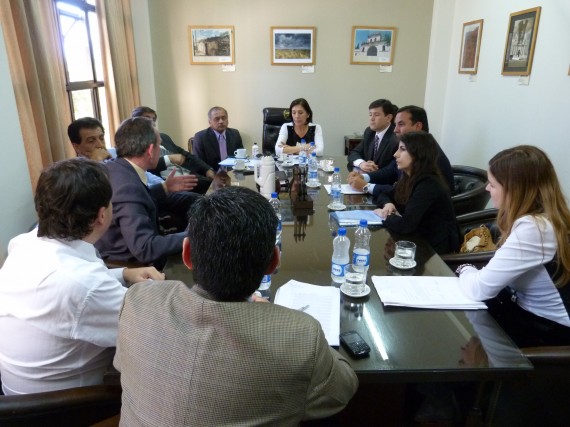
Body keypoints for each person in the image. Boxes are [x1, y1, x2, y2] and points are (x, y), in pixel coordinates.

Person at [114, 186, 358, 426]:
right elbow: (342, 390)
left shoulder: (138, 301)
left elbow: (121, 364)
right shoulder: (301, 336)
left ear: (187, 254)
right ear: (273, 262)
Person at [0, 158, 163, 395]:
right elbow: (154, 331)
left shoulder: (24, 243)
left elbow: (72, 286)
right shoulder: (86, 286)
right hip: (68, 408)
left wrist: (124, 274)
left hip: (16, 395)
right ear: (101, 215)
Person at [457, 145, 570, 348]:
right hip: (526, 315)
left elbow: (479, 289)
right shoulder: (546, 218)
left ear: (514, 190)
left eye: (492, 184)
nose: (486, 189)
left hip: (547, 333)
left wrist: (464, 269)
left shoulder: (534, 228)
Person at [95, 117, 200, 269]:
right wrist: (196, 236)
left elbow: (139, 199)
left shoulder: (116, 167)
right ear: (151, 150)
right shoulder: (128, 187)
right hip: (133, 265)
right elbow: (145, 248)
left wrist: (164, 187)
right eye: (159, 145)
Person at [374, 132, 459, 254]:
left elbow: (406, 225)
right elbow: (385, 194)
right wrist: (388, 205)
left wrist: (385, 215)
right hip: (415, 239)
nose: (395, 154)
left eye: (402, 149)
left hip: (434, 251)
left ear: (418, 154)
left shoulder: (428, 184)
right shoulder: (410, 176)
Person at [348, 105, 454, 195]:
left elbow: (406, 193)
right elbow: (390, 171)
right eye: (396, 124)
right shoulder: (411, 147)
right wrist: (363, 177)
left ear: (418, 126)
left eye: (401, 124)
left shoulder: (430, 155)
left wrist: (367, 186)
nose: (395, 129)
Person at [132, 106, 216, 194]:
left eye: (153, 119)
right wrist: (168, 159)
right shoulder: (135, 143)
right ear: (135, 121)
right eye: (147, 119)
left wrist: (207, 169)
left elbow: (187, 155)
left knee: (219, 183)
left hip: (190, 175)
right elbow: (144, 168)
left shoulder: (164, 137)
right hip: (171, 185)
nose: (152, 122)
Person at [346, 98, 398, 172]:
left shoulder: (395, 138)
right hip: (367, 178)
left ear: (388, 118)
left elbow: (393, 170)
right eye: (370, 115)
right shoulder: (369, 132)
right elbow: (354, 153)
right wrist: (362, 163)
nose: (372, 118)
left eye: (376, 115)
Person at [193, 106, 244, 170]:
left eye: (223, 118)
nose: (221, 121)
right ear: (209, 122)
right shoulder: (200, 137)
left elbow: (241, 156)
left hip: (233, 173)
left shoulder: (235, 134)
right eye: (217, 119)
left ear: (227, 120)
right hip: (211, 175)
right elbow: (199, 163)